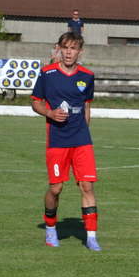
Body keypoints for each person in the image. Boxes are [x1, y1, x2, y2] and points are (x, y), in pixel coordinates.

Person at [31, 32, 101, 251]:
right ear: (59, 48)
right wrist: (50, 114)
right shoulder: (47, 73)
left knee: (87, 185)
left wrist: (83, 131)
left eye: (73, 48)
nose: (69, 52)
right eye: (66, 48)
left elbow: (87, 106)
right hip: (57, 140)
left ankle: (91, 237)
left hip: (81, 140)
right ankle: (51, 228)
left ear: (80, 51)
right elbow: (35, 103)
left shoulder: (88, 76)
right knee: (56, 189)